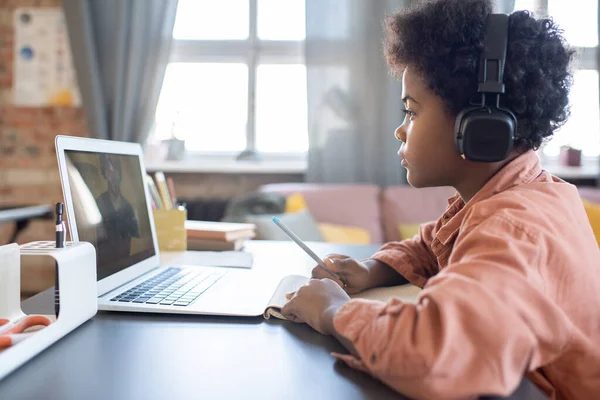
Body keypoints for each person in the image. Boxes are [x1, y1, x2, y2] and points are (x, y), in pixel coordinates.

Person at [280, 1, 600, 399]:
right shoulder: (520, 195)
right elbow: (434, 245)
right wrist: (371, 269)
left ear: (480, 128)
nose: (400, 131)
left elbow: (434, 356)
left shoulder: (516, 229)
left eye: (411, 111)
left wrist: (332, 311)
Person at [95, 154, 140, 271]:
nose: (114, 175)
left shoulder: (128, 206)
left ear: (121, 175)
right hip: (104, 267)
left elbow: (135, 235)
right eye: (109, 171)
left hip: (125, 266)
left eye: (117, 171)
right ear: (105, 174)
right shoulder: (98, 203)